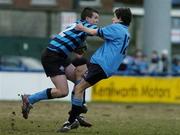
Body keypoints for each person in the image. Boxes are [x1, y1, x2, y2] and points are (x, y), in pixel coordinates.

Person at [21, 7, 99, 126]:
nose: (97, 20)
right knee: (62, 92)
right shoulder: (84, 26)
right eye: (95, 18)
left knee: (82, 80)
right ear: (87, 19)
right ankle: (29, 99)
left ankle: (77, 114)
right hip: (51, 57)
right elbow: (98, 32)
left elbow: (77, 50)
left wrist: (80, 47)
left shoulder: (76, 25)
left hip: (60, 56)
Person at [59, 7, 132, 132]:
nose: (112, 19)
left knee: (79, 88)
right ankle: (80, 110)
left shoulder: (116, 28)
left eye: (114, 16)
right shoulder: (126, 32)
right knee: (80, 84)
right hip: (106, 68)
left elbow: (94, 32)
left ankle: (72, 120)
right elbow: (108, 39)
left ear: (119, 18)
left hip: (100, 65)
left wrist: (81, 28)